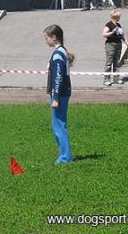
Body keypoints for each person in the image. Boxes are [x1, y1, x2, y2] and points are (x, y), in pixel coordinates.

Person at [43, 24, 74, 164]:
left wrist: (55, 98)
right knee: (60, 125)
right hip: (64, 92)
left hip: (59, 94)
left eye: (46, 38)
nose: (46, 41)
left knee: (59, 126)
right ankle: (64, 155)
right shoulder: (63, 51)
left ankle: (65, 157)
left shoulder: (57, 55)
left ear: (53, 37)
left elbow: (57, 77)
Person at [102, 10, 128, 86]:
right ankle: (106, 79)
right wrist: (112, 32)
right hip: (111, 44)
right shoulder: (109, 25)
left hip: (118, 44)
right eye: (119, 17)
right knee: (109, 62)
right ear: (115, 17)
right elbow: (104, 34)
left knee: (116, 62)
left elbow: (122, 35)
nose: (120, 18)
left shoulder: (118, 25)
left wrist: (126, 42)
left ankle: (116, 78)